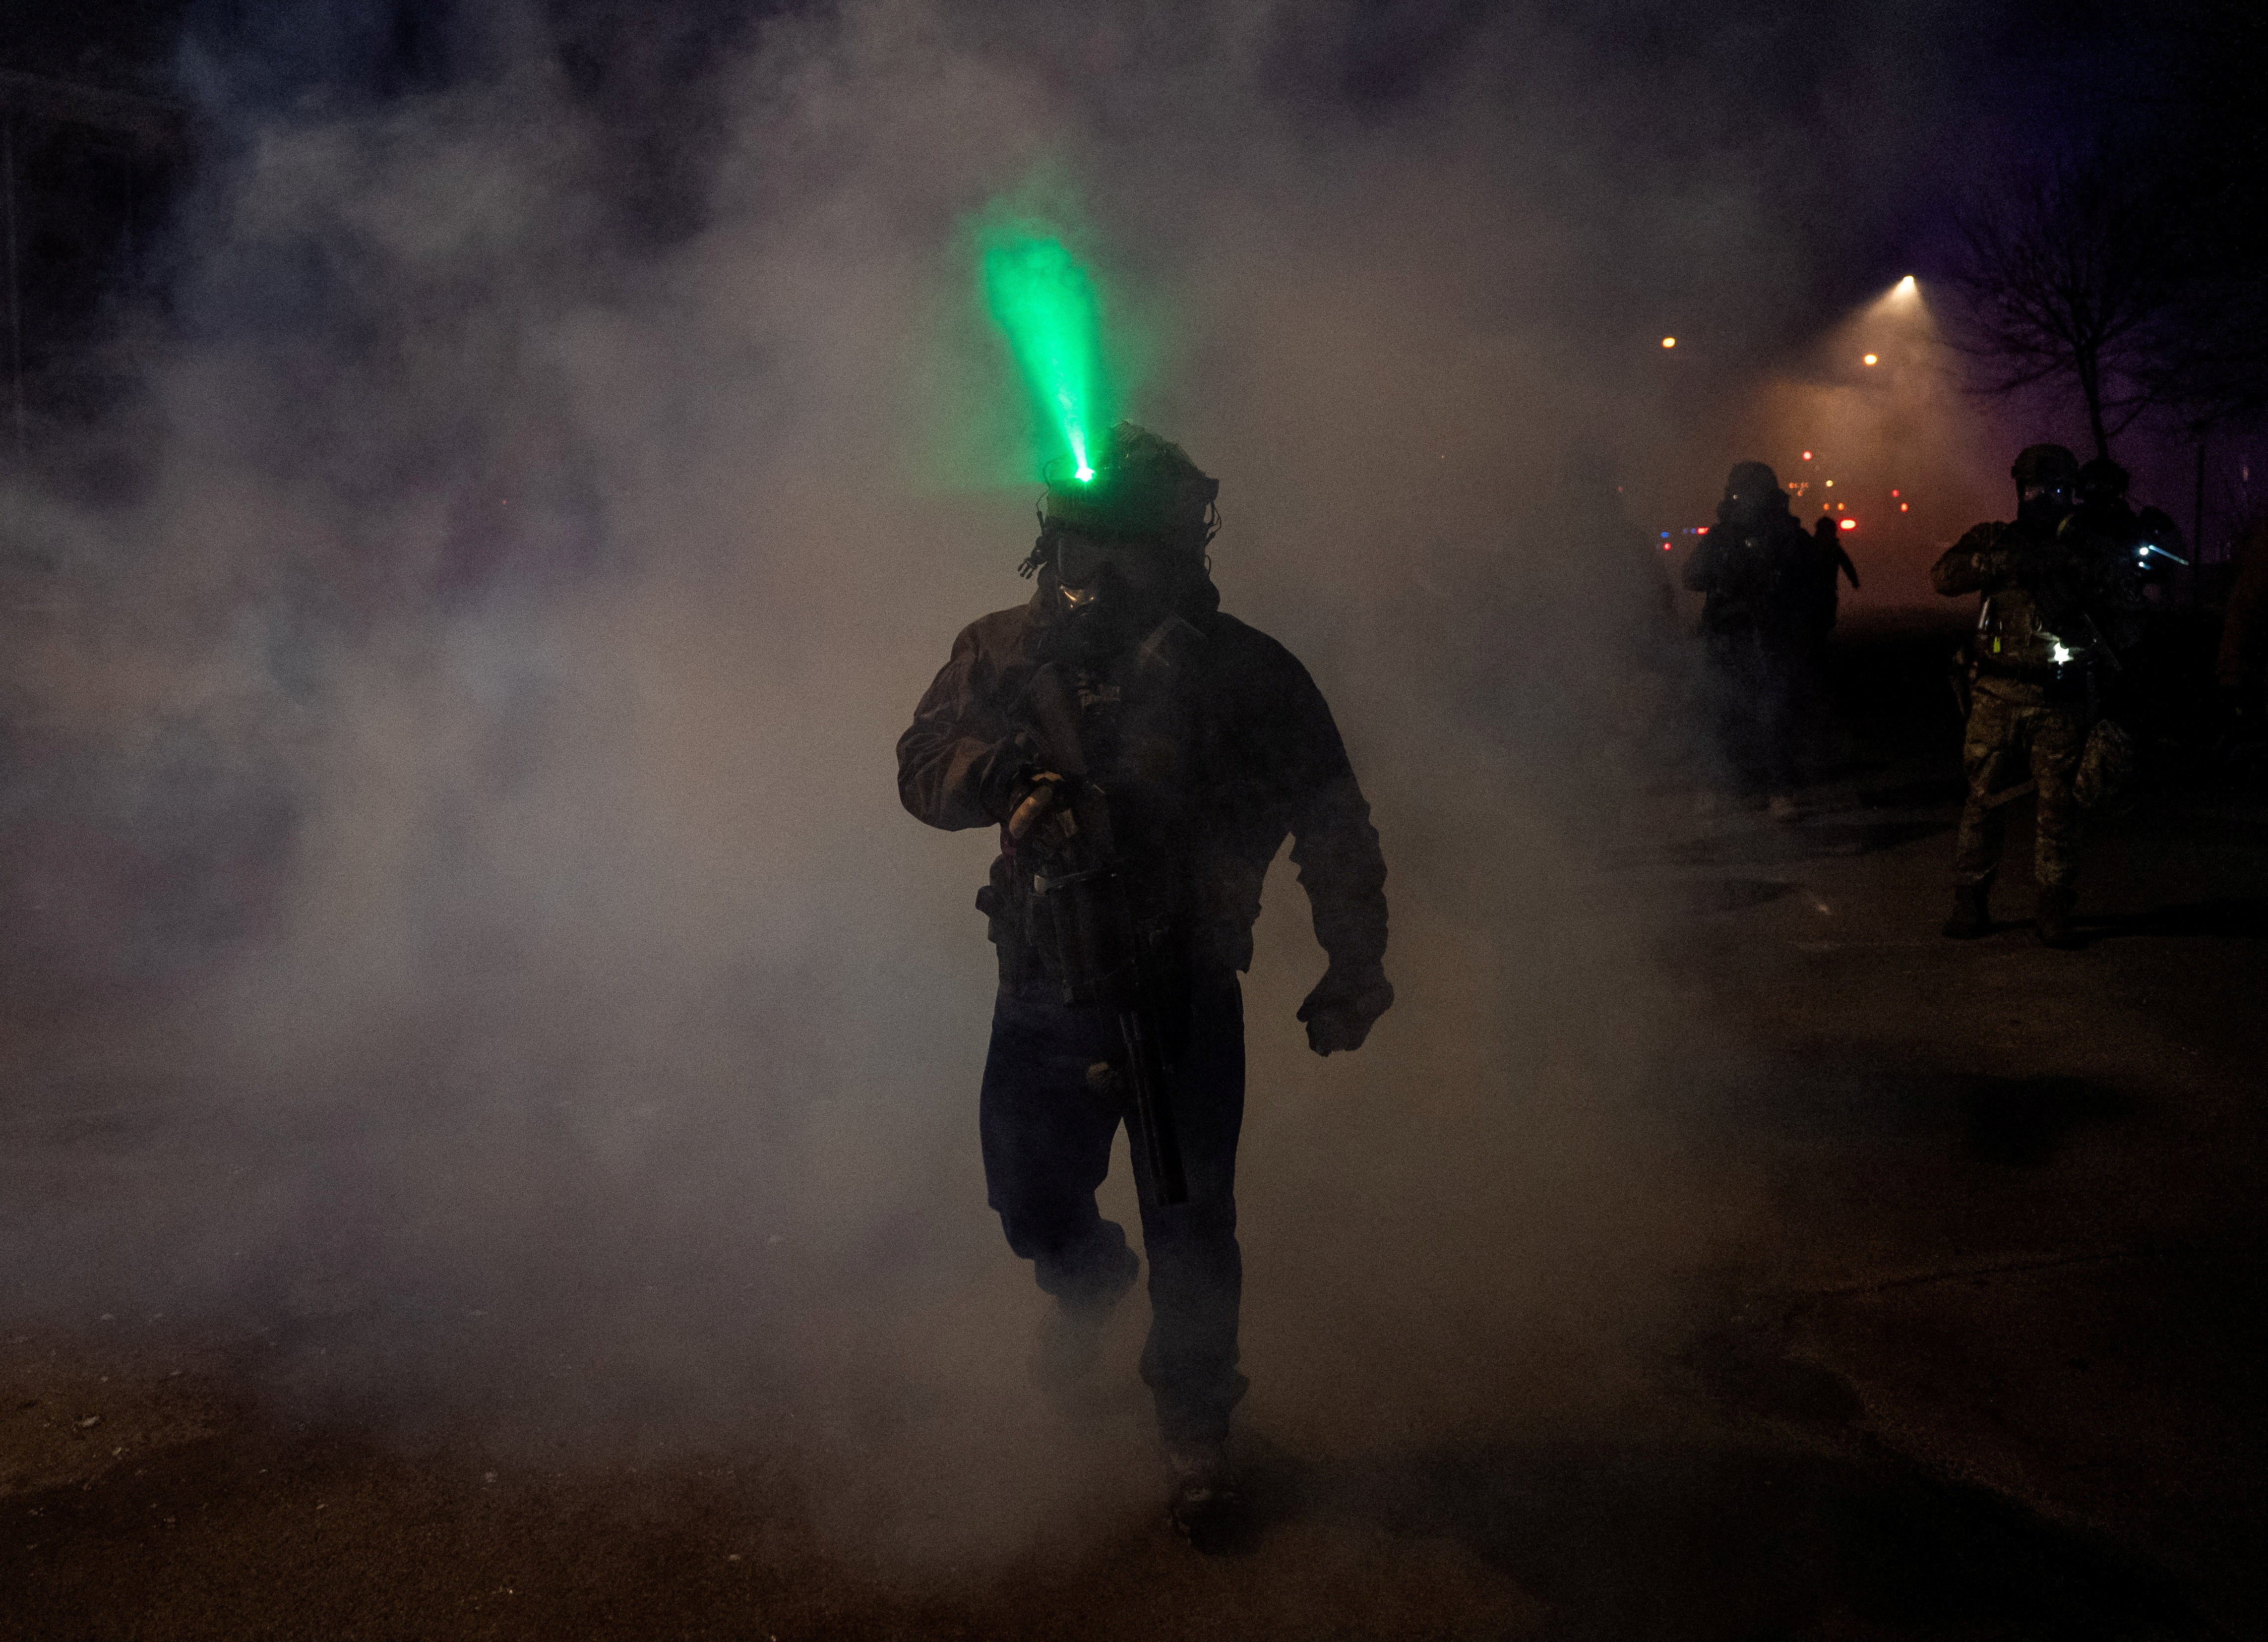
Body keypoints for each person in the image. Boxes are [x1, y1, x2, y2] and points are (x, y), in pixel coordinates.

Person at [896, 422, 1392, 1539]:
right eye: (1084, 551)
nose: (1105, 579)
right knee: (1032, 1200)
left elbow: (1333, 824)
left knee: (1192, 1217)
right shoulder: (998, 652)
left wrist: (1354, 960)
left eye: (1131, 551)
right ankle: (1086, 1281)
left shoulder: (1251, 671)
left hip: (1184, 984)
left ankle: (1195, 1433)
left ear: (1179, 548)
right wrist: (1005, 783)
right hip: (1041, 983)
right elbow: (920, 762)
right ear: (1053, 548)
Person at [1933, 443, 2123, 948]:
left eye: (2049, 489)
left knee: (2058, 809)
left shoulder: (2086, 544)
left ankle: (2053, 906)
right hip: (1995, 691)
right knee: (1981, 802)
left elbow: (2122, 605)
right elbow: (1944, 576)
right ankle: (1969, 901)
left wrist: (2071, 568)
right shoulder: (1996, 538)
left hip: (2057, 698)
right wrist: (1998, 561)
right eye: (2028, 487)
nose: (2036, 497)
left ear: (2068, 492)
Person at [1683, 461, 1815, 816]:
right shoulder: (1729, 537)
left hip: (1764, 638)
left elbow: (1809, 587)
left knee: (1760, 715)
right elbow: (1693, 576)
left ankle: (1771, 790)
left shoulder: (1781, 536)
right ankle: (1747, 789)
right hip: (1736, 637)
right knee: (1730, 714)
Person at [1806, 513, 1861, 658]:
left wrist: (1854, 580)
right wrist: (1854, 581)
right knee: (1822, 620)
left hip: (1821, 590)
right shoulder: (1826, 548)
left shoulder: (1818, 548)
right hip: (1819, 590)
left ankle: (1819, 646)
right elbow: (1847, 565)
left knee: (1824, 620)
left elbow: (1847, 565)